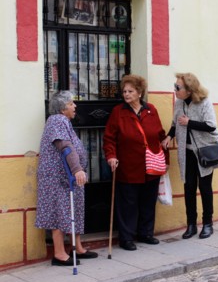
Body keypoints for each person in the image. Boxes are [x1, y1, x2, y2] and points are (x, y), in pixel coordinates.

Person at [103, 75, 169, 251]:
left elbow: (160, 135)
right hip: (128, 165)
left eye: (130, 91)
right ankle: (127, 238)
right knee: (128, 203)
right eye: (124, 91)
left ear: (139, 92)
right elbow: (109, 138)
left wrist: (166, 159)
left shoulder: (151, 110)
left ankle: (146, 233)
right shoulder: (119, 112)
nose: (126, 94)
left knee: (148, 201)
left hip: (151, 164)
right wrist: (111, 156)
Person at [35, 91, 98, 266]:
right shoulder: (57, 120)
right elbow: (65, 146)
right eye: (71, 103)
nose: (75, 106)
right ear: (63, 108)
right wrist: (77, 169)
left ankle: (77, 248)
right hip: (56, 178)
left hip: (68, 178)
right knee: (59, 213)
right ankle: (59, 254)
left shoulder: (65, 122)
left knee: (74, 210)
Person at [162, 73, 218, 239]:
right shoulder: (179, 103)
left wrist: (190, 122)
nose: (175, 89)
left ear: (189, 90)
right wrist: (169, 136)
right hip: (186, 151)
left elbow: (210, 126)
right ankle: (191, 225)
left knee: (204, 188)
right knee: (189, 188)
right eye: (175, 86)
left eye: (178, 87)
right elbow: (176, 123)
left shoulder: (204, 102)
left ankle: (208, 224)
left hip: (204, 151)